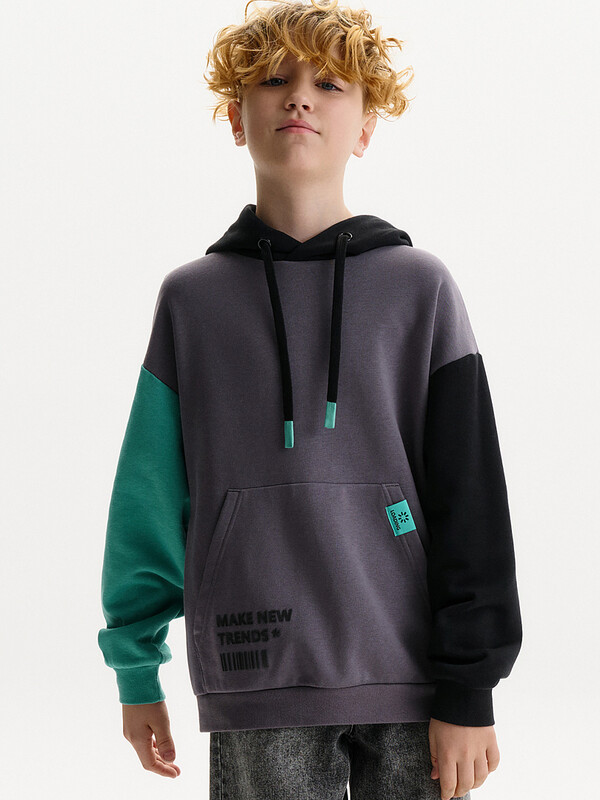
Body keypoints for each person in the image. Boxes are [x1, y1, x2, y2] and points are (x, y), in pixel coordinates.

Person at [97, 1, 523, 799]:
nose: (299, 95)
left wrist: (472, 685)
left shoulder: (421, 290)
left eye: (330, 84)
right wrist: (135, 667)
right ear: (235, 118)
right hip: (257, 667)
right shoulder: (191, 302)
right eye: (272, 79)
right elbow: (147, 498)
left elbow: (472, 499)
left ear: (366, 128)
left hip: (412, 673)